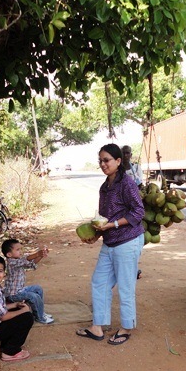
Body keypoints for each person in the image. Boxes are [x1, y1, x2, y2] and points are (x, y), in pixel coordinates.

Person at [76, 143, 145, 345]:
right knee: (99, 282)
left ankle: (126, 327)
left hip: (128, 241)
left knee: (125, 286)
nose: (103, 164)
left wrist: (113, 224)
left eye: (106, 160)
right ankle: (97, 327)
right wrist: (96, 235)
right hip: (110, 241)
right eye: (100, 160)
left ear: (118, 161)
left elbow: (138, 212)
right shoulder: (104, 187)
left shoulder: (127, 184)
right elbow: (103, 218)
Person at [1, 238, 54, 324]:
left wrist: (40, 255)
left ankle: (41, 312)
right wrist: (37, 253)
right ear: (9, 254)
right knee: (34, 296)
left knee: (37, 288)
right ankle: (40, 318)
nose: (20, 251)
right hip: (13, 294)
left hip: (20, 290)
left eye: (20, 249)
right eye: (18, 250)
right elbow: (25, 259)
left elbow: (31, 264)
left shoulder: (18, 261)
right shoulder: (12, 262)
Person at [122, 144, 144, 280]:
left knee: (136, 242)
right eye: (123, 153)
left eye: (128, 153)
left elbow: (140, 184)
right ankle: (130, 269)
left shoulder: (136, 168)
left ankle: (133, 268)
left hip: (134, 208)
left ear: (131, 154)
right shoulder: (117, 170)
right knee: (126, 241)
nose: (126, 155)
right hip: (123, 210)